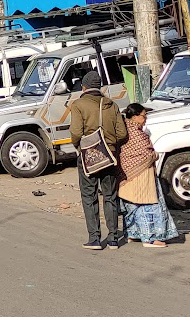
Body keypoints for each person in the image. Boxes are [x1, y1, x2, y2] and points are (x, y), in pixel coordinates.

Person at [68, 70, 127, 250]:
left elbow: (76, 132)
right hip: (109, 157)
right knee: (110, 196)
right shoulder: (111, 105)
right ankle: (113, 238)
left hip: (87, 157)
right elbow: (122, 133)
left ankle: (94, 238)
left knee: (89, 196)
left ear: (84, 87)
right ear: (99, 87)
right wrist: (110, 145)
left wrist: (80, 146)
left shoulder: (78, 105)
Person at [116, 103, 178, 246]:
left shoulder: (123, 130)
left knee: (132, 206)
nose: (146, 119)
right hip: (141, 175)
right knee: (148, 205)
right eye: (144, 116)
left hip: (126, 175)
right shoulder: (136, 133)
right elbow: (146, 154)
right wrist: (154, 155)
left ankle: (133, 234)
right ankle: (150, 238)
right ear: (135, 116)